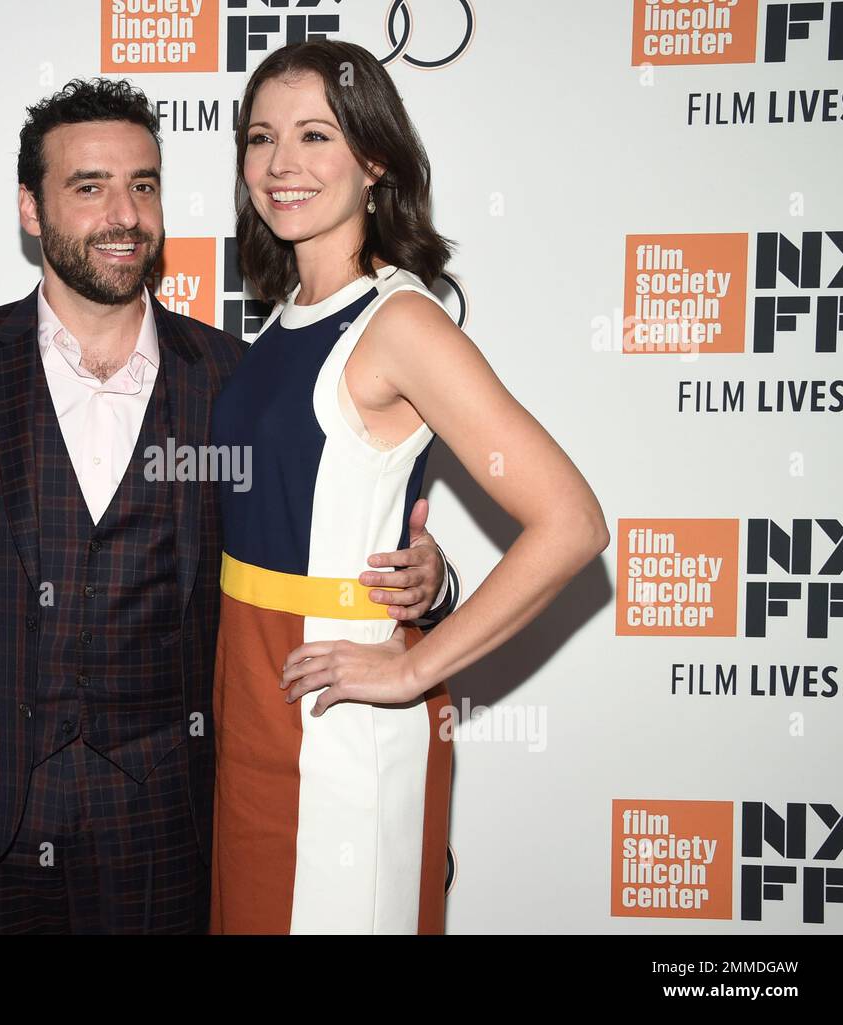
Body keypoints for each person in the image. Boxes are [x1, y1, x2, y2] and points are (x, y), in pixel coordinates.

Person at [0, 77, 463, 934]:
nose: (124, 214)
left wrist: (430, 582)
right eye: (89, 187)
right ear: (32, 209)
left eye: (144, 185)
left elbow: (304, 547)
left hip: (166, 817)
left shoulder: (230, 379)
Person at [208, 40, 610, 935]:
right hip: (256, 710)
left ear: (374, 158)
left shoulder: (400, 322)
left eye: (316, 135)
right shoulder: (280, 322)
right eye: (261, 137)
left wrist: (417, 666)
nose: (282, 165)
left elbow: (571, 521)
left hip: (343, 723)